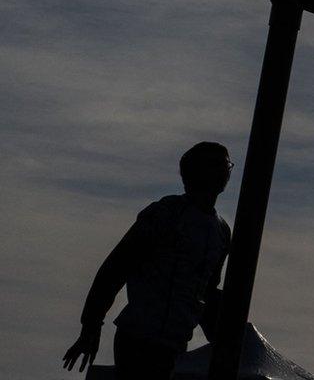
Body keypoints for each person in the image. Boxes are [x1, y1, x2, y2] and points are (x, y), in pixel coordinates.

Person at [62, 143, 235, 378]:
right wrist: (90, 327)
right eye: (216, 164)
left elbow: (207, 292)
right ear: (195, 171)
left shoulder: (222, 232)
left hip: (176, 346)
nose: (224, 171)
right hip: (138, 340)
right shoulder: (165, 214)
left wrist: (224, 343)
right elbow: (116, 268)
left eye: (226, 165)